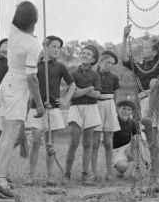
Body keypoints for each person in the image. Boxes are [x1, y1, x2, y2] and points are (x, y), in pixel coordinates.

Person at [0, 0, 45, 199]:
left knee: (8, 133)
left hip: (8, 83)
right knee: (10, 133)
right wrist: (40, 105)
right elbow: (32, 79)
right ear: (35, 21)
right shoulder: (34, 46)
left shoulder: (13, 30)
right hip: (18, 86)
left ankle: (0, 174)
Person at [120, 25, 159, 193]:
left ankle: (149, 115)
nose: (141, 49)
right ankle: (154, 181)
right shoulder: (137, 66)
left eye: (145, 48)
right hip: (144, 104)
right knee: (153, 146)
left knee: (154, 82)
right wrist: (124, 37)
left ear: (154, 52)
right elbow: (123, 57)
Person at [25, 35, 75, 184]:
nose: (57, 50)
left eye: (59, 47)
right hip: (36, 108)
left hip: (52, 109)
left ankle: (50, 175)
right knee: (35, 141)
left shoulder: (60, 67)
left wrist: (66, 100)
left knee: (50, 144)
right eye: (54, 46)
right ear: (45, 47)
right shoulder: (36, 66)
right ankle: (30, 175)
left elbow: (72, 85)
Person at [64, 45, 102, 184]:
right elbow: (72, 93)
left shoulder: (96, 75)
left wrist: (81, 90)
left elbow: (97, 94)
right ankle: (66, 174)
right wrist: (88, 89)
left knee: (87, 143)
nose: (85, 55)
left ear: (93, 59)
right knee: (74, 141)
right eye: (83, 53)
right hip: (76, 108)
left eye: (88, 54)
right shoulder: (73, 73)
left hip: (91, 108)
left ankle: (85, 175)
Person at [91, 50, 121, 181]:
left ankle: (109, 172)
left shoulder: (114, 77)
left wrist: (115, 110)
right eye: (108, 62)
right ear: (101, 62)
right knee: (95, 142)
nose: (110, 65)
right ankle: (93, 172)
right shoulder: (93, 74)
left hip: (110, 105)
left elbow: (116, 94)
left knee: (108, 142)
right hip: (96, 104)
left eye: (112, 64)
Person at [112, 98, 149, 178]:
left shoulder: (132, 122)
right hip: (116, 150)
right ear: (118, 109)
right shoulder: (113, 120)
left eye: (129, 109)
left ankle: (134, 168)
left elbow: (138, 140)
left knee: (136, 139)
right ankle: (124, 169)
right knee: (123, 166)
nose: (126, 111)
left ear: (132, 111)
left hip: (128, 148)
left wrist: (143, 157)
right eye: (124, 108)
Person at [0, 38, 8, 140]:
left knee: (4, 127)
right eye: (5, 43)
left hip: (6, 96)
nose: (8, 45)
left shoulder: (11, 61)